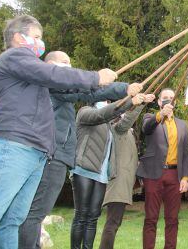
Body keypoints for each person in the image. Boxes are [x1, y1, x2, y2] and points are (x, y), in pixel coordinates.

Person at [0, 15, 117, 249]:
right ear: (18, 37)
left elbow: (68, 86)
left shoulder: (29, 73)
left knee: (11, 220)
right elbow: (55, 75)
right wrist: (96, 77)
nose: (41, 43)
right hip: (14, 146)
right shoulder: (16, 57)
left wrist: (118, 89)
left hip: (34, 152)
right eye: (36, 37)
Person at [19, 51, 139, 249]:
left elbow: (110, 112)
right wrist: (122, 90)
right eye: (65, 63)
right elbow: (95, 97)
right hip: (58, 158)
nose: (70, 66)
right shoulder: (79, 105)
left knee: (89, 215)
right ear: (50, 66)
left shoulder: (61, 92)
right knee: (41, 214)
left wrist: (128, 96)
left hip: (66, 160)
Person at [70, 93, 144, 249]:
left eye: (108, 100)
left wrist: (139, 103)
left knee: (92, 218)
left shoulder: (110, 125)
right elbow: (101, 115)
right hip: (84, 170)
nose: (107, 102)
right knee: (81, 216)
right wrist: (129, 102)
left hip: (101, 175)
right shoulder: (85, 112)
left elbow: (123, 122)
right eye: (105, 99)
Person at [136, 88, 188, 249]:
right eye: (165, 97)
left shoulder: (182, 125)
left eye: (171, 98)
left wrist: (186, 178)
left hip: (175, 175)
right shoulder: (150, 118)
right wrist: (160, 115)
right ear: (159, 102)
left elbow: (186, 153)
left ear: (175, 102)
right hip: (153, 174)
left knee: (172, 219)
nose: (168, 100)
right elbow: (146, 128)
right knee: (151, 218)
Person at [99, 94, 155, 249]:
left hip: (122, 184)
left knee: (114, 223)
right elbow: (128, 119)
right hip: (118, 183)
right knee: (112, 223)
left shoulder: (126, 131)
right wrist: (140, 103)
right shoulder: (118, 128)